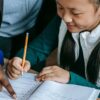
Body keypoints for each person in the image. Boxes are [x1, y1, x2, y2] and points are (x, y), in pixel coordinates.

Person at [7, 0, 100, 96]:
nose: (65, 18)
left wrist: (70, 78)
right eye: (60, 7)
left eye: (75, 13)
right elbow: (39, 48)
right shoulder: (62, 20)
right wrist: (22, 59)